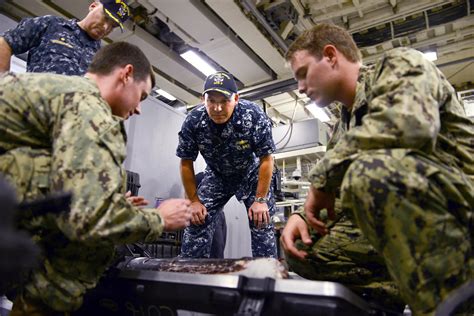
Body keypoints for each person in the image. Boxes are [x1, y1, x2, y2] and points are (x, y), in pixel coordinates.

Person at [280, 23, 473, 314]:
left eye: (303, 74)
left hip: (458, 208)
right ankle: (392, 296)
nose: (301, 87)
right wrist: (301, 218)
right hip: (416, 215)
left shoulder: (400, 65)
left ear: (331, 56)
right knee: (301, 248)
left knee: (367, 172)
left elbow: (409, 126)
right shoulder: (344, 125)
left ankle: (454, 303)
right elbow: (338, 199)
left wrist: (323, 178)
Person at [0, 41, 192, 315]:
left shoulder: (64, 94)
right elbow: (85, 219)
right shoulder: (91, 113)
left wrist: (108, 199)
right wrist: (160, 218)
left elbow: (52, 185)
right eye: (143, 95)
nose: (139, 108)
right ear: (126, 74)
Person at [176, 71, 277, 258]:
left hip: (251, 174)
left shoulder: (253, 115)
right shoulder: (194, 121)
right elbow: (186, 161)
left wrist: (260, 200)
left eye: (224, 101)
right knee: (197, 219)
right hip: (217, 175)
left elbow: (266, 158)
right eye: (211, 101)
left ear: (236, 99)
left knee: (261, 223)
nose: (218, 108)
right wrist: (194, 201)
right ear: (202, 99)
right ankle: (190, 276)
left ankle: (266, 277)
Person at [0, 0, 130, 75]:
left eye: (113, 26)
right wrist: (4, 89)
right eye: (105, 17)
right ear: (93, 6)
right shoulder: (51, 24)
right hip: (35, 112)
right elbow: (6, 43)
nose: (106, 27)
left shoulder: (103, 57)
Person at [195, 171, 227, 258]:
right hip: (208, 213)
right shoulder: (201, 177)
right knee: (216, 252)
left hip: (219, 214)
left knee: (219, 249)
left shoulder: (220, 177)